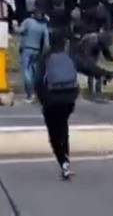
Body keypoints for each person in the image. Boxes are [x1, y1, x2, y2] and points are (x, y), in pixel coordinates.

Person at [34, 31, 80, 180]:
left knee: (54, 135)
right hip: (68, 100)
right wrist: (103, 73)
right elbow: (85, 66)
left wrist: (43, 100)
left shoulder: (45, 58)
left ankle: (63, 162)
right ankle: (66, 159)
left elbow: (38, 81)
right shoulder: (69, 56)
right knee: (64, 128)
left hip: (51, 101)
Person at [17, 9, 50, 103]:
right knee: (34, 72)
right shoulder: (44, 25)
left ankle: (30, 94)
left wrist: (15, 26)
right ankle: (35, 94)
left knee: (26, 71)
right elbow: (47, 42)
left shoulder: (28, 21)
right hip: (37, 50)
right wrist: (44, 52)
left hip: (27, 48)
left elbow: (20, 30)